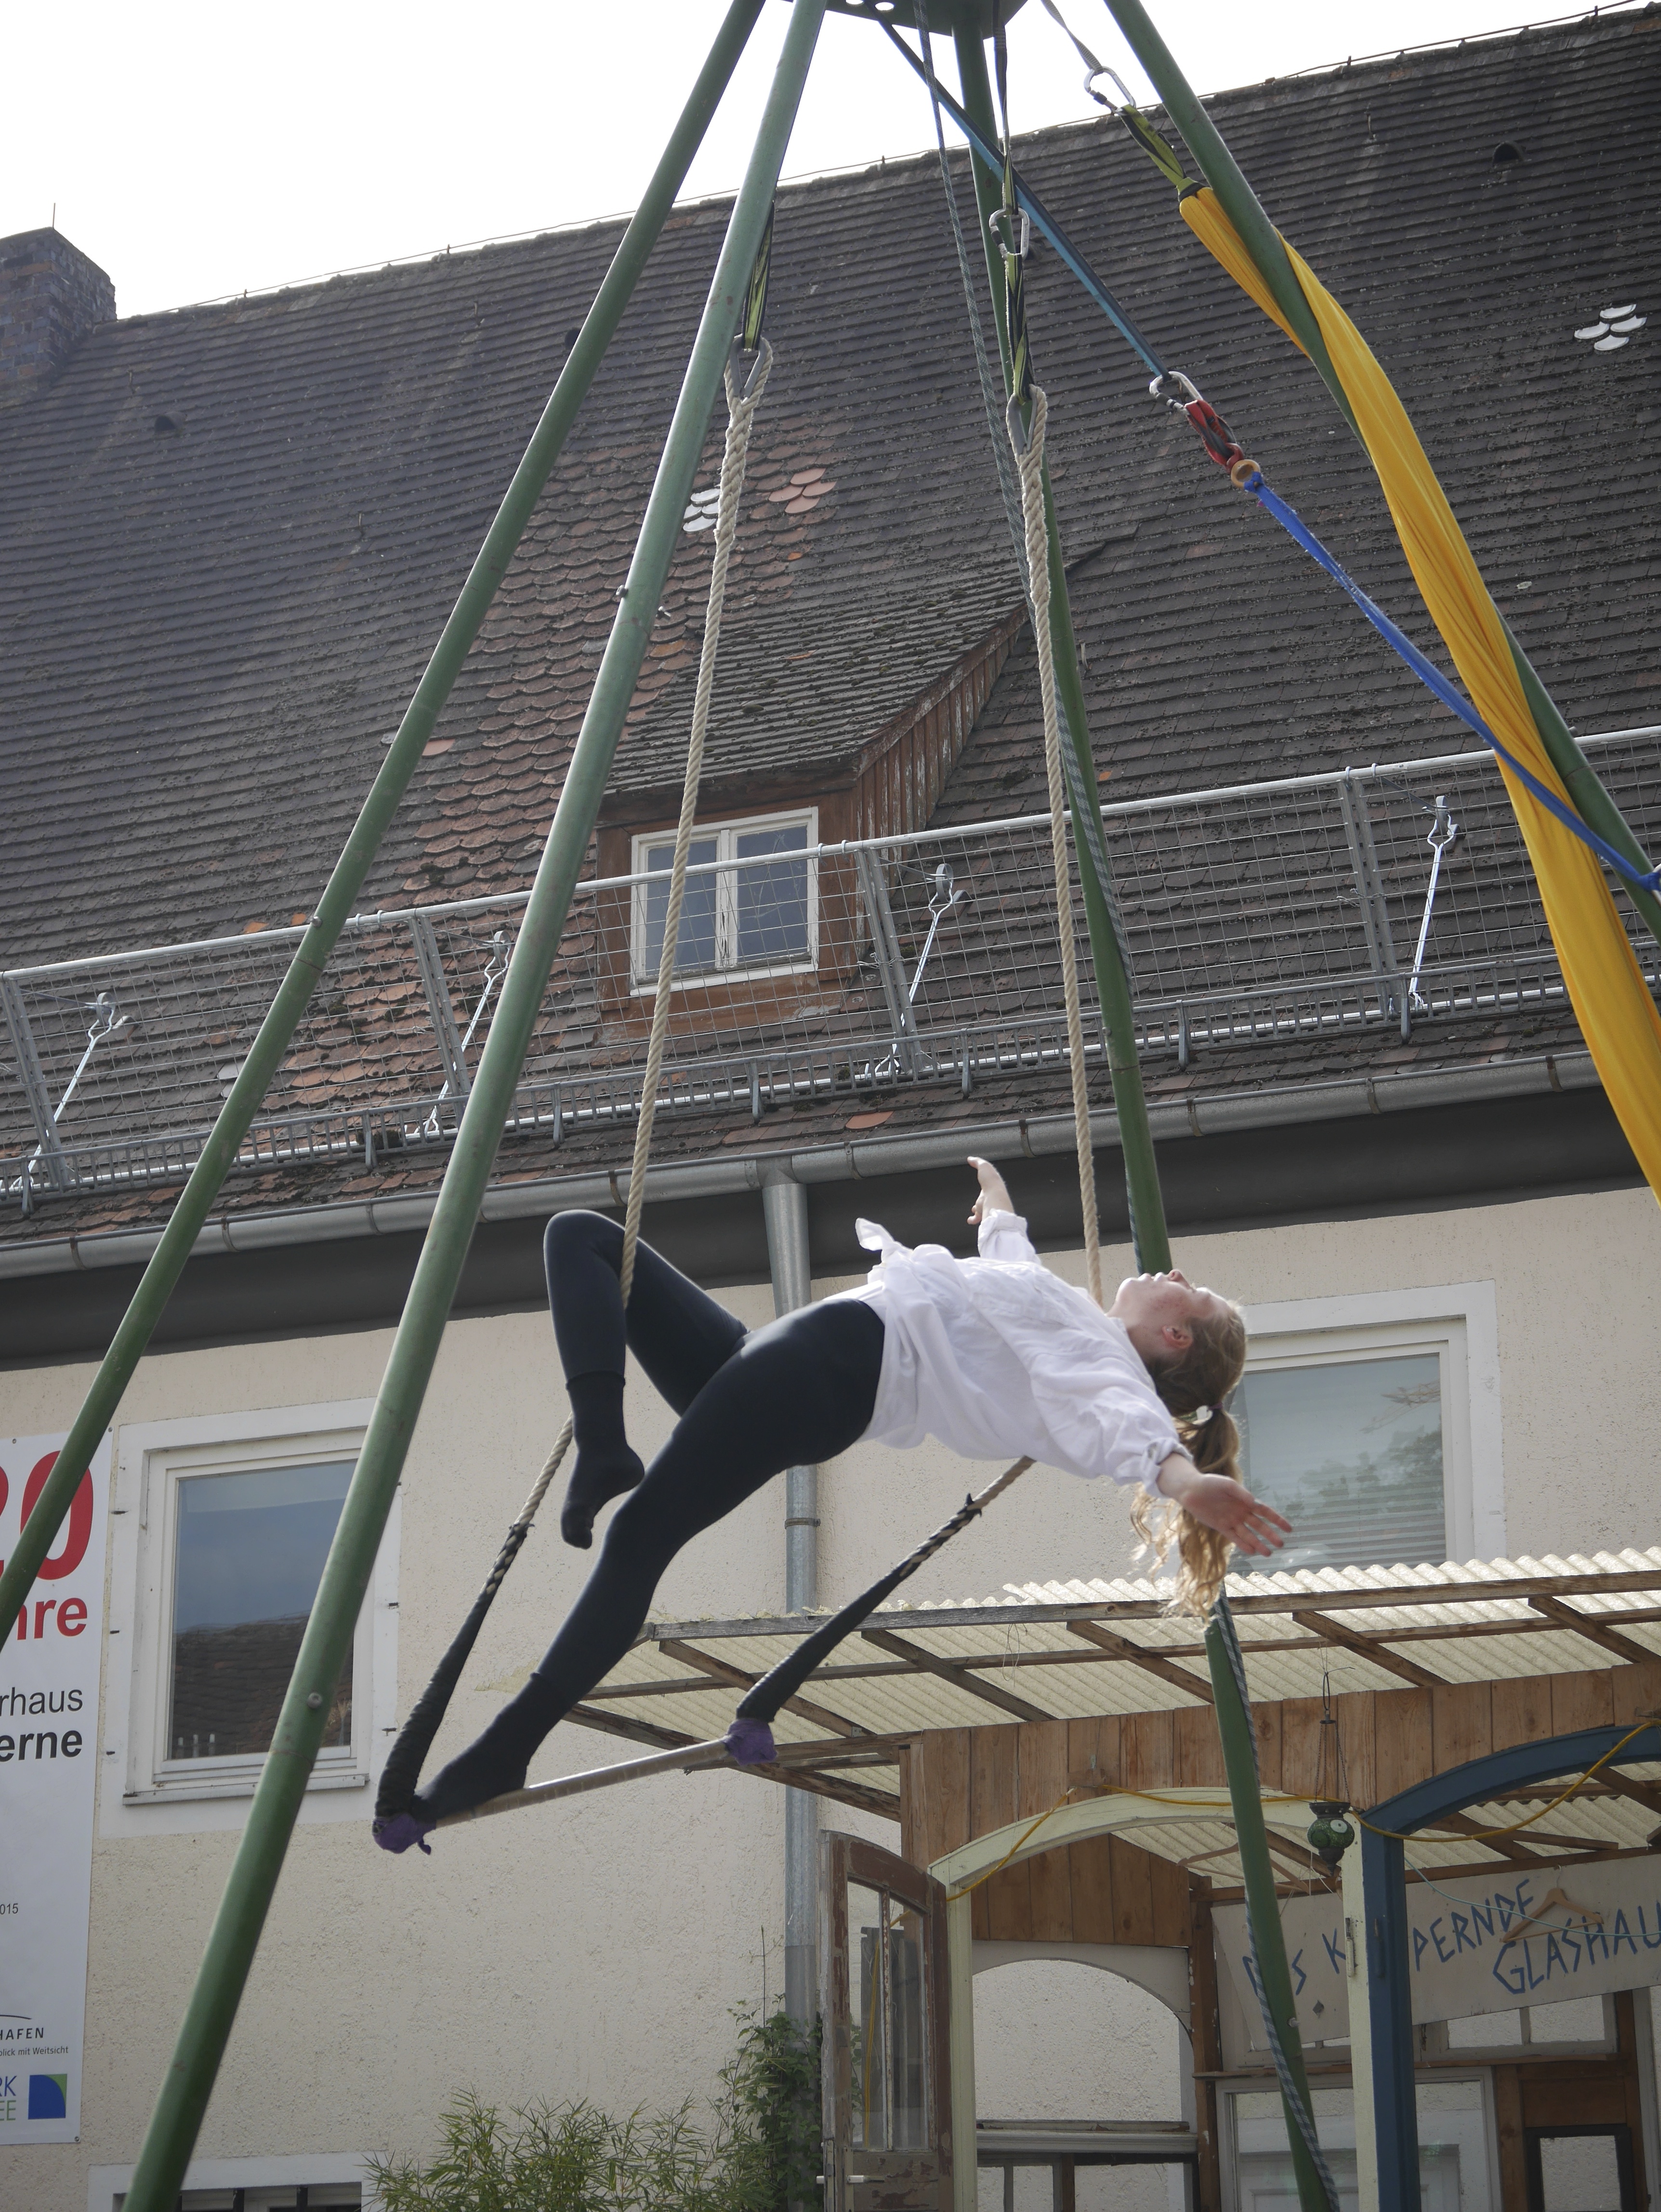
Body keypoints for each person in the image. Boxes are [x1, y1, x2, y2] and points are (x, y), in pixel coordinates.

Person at [385, 1159, 1288, 1843]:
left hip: (824, 1371)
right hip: (787, 1367)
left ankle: (510, 1743)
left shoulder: (1107, 1372)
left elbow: (1139, 1439)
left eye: (1192, 1291)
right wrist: (1001, 1205)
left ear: (1176, 1335)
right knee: (582, 1236)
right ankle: (603, 1443)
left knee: (639, 1540)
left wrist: (1188, 1484)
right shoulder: (1080, 1328)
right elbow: (1010, 1274)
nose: (1175, 1271)